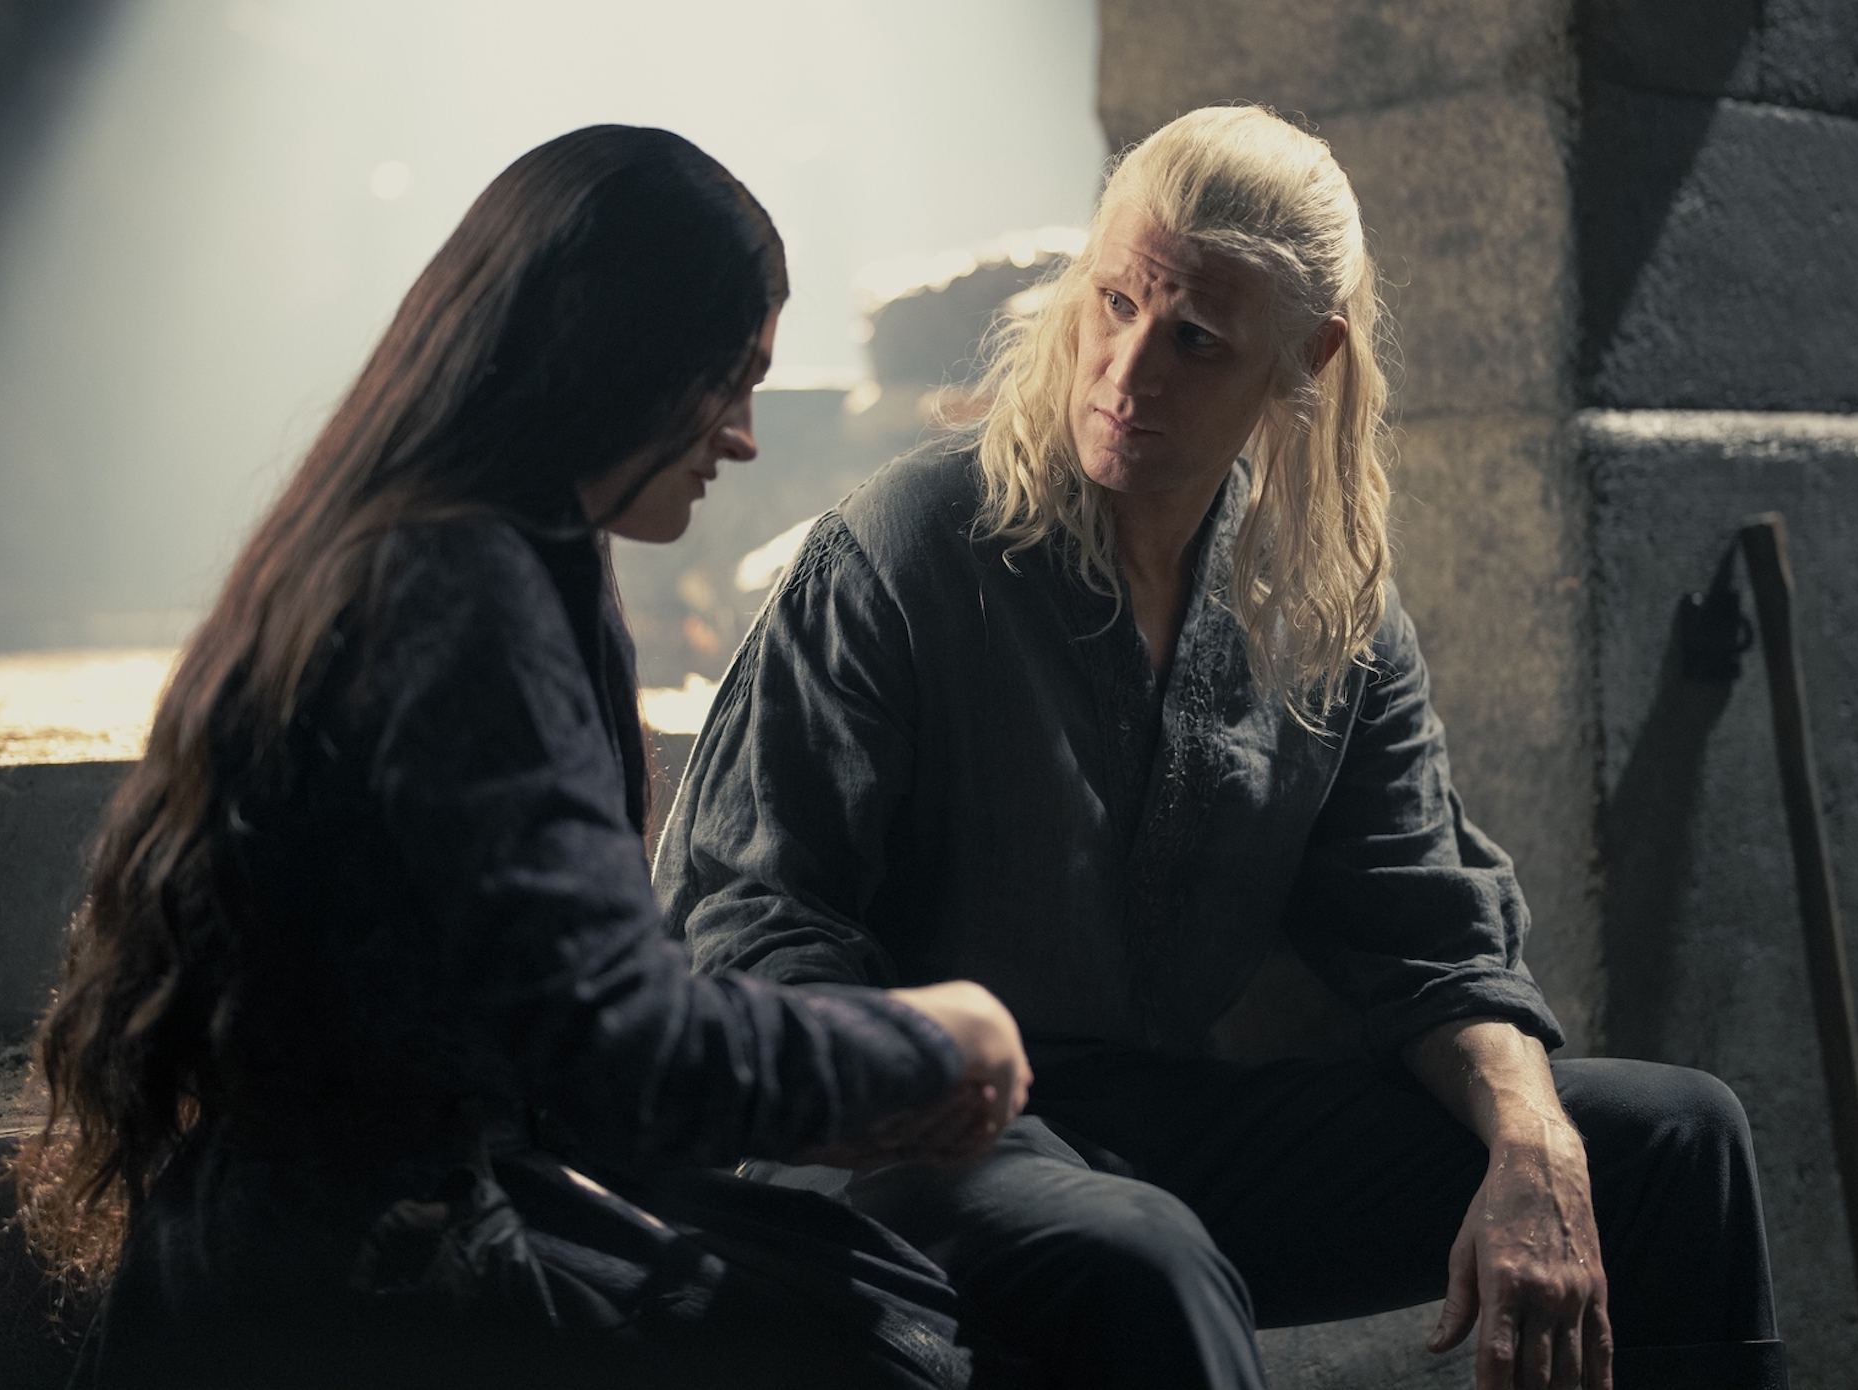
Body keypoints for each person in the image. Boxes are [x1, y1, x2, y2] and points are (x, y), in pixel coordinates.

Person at [655, 106, 1786, 1390]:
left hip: (1164, 1127)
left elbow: (1429, 937)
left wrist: (1537, 1143)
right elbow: (755, 920)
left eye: (1195, 339)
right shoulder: (904, 548)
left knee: (1677, 1139)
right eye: (1115, 302)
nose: (1127, 372)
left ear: (1307, 356)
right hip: (898, 1139)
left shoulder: (1323, 602)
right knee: (1146, 1251)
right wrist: (913, 1063)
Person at [11, 125, 1032, 1390]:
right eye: (725, 377)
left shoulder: (490, 555)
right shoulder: (457, 592)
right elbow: (619, 1041)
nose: (745, 435)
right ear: (608, 346)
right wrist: (928, 1042)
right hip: (354, 1306)